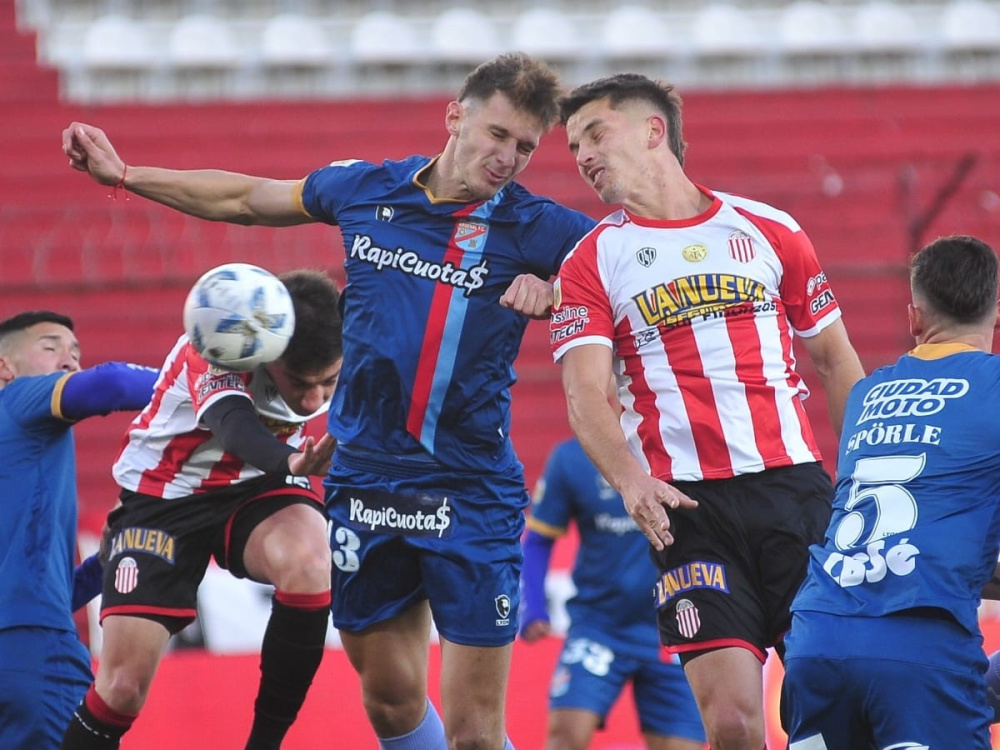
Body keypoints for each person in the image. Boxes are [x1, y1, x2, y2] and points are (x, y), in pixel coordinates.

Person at [62, 52, 596, 749]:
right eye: (498, 135)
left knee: (473, 735)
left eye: (525, 147)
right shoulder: (366, 189)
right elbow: (246, 199)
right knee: (390, 699)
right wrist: (127, 176)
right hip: (364, 480)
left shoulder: (539, 227)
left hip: (469, 489)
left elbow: (632, 282)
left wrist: (561, 293)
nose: (508, 158)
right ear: (455, 116)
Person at [550, 74, 865, 750]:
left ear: (653, 131)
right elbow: (584, 394)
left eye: (595, 134)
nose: (582, 155)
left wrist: (868, 476)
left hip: (794, 491)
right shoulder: (591, 260)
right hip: (688, 511)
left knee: (829, 693)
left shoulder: (769, 229)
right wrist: (632, 482)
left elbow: (836, 362)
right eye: (574, 145)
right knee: (730, 723)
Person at [59, 269, 344, 750]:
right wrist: (292, 460)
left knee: (312, 564)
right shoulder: (221, 339)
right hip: (163, 497)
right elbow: (233, 425)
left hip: (258, 485)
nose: (314, 399)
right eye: (299, 382)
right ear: (266, 352)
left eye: (329, 383)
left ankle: (265, 744)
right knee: (122, 689)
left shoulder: (353, 329)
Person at [782, 235, 1000, 749]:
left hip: (819, 637)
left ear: (914, 319)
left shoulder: (867, 395)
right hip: (922, 640)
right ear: (994, 311)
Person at [0, 311, 158, 750]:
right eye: (51, 348)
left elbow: (31, 593)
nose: (70, 361)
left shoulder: (21, 455)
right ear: (4, 368)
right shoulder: (18, 399)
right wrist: (202, 385)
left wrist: (100, 567)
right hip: (36, 654)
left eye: (76, 352)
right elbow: (110, 384)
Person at [520, 435, 707, 750]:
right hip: (599, 627)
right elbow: (538, 539)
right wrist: (534, 607)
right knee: (565, 735)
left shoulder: (682, 445)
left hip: (674, 630)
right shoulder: (573, 458)